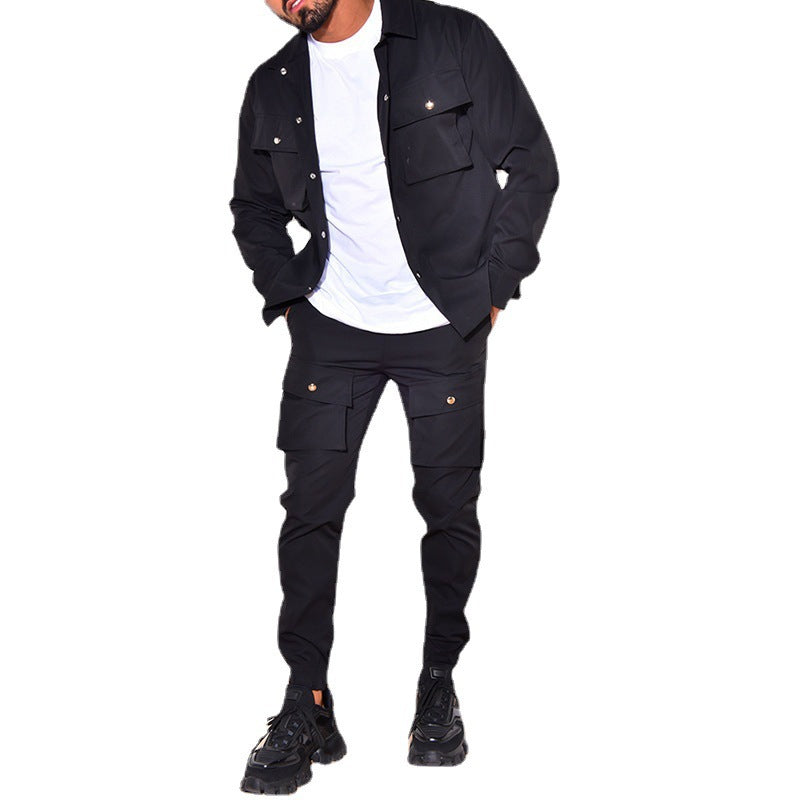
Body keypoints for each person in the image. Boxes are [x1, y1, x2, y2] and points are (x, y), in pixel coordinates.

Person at [229, 0, 558, 792]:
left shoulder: (451, 39)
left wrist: (492, 289)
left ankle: (438, 684)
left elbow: (533, 164)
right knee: (309, 513)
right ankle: (306, 701)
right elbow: (254, 209)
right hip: (332, 331)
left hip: (441, 327)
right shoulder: (272, 85)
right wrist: (292, 299)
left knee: (448, 509)